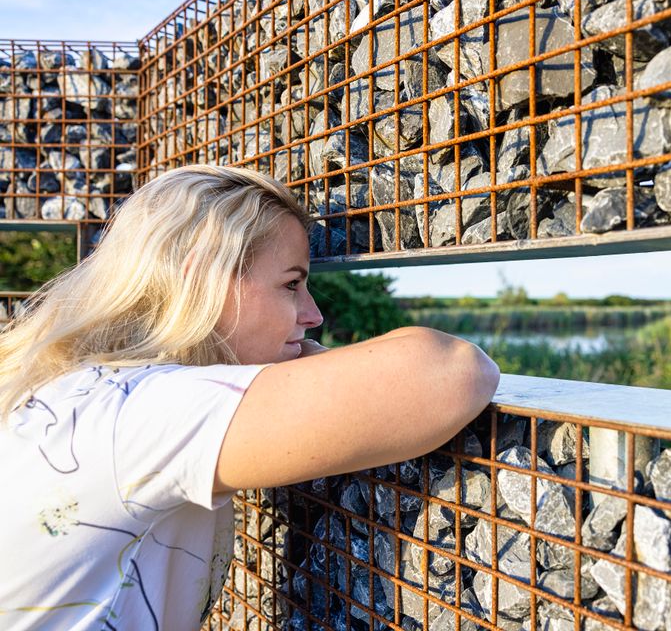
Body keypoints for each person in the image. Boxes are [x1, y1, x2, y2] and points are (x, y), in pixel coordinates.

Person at [0, 165, 500, 630]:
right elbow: (454, 372)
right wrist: (308, 361)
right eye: (291, 284)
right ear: (202, 278)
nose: (313, 315)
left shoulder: (78, 392)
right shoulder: (138, 412)